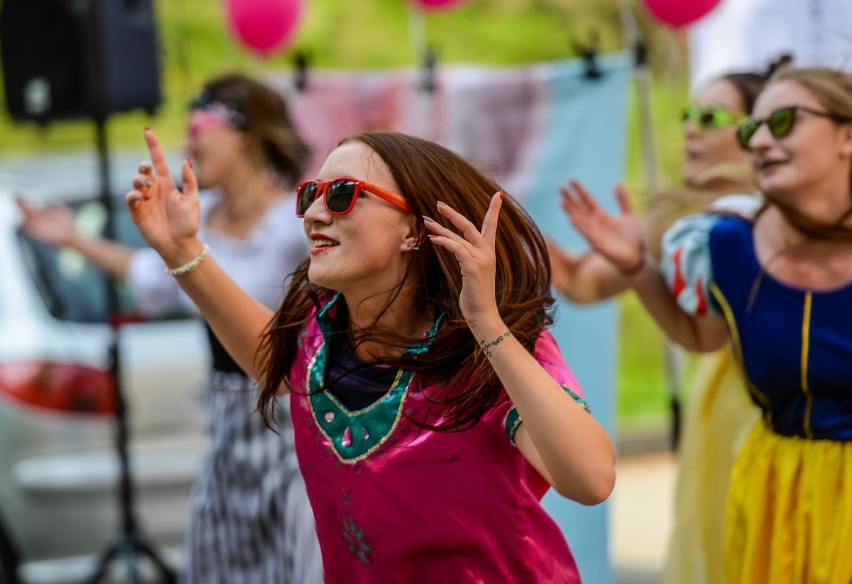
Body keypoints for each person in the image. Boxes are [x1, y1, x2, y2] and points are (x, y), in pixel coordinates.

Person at [124, 128, 616, 582]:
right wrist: (181, 249)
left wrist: (487, 324)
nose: (315, 213)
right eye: (310, 195)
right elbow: (271, 359)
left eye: (342, 195)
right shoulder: (320, 338)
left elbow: (591, 479)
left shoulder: (483, 353)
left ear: (414, 230)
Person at [17, 73, 323, 583]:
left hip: (293, 427)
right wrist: (70, 238)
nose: (188, 144)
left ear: (241, 132)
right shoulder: (199, 228)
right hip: (228, 428)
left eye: (198, 131)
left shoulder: (296, 224)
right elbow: (148, 277)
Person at [559, 66, 852, 584]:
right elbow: (698, 335)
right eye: (751, 130)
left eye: (782, 122)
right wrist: (633, 267)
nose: (761, 140)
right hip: (773, 487)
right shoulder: (724, 245)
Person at [549, 71, 766, 584]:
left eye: (709, 118)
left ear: (760, 129)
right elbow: (581, 281)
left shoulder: (799, 215)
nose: (690, 129)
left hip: (777, 408)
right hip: (722, 407)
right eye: (687, 116)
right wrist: (509, 232)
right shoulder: (676, 219)